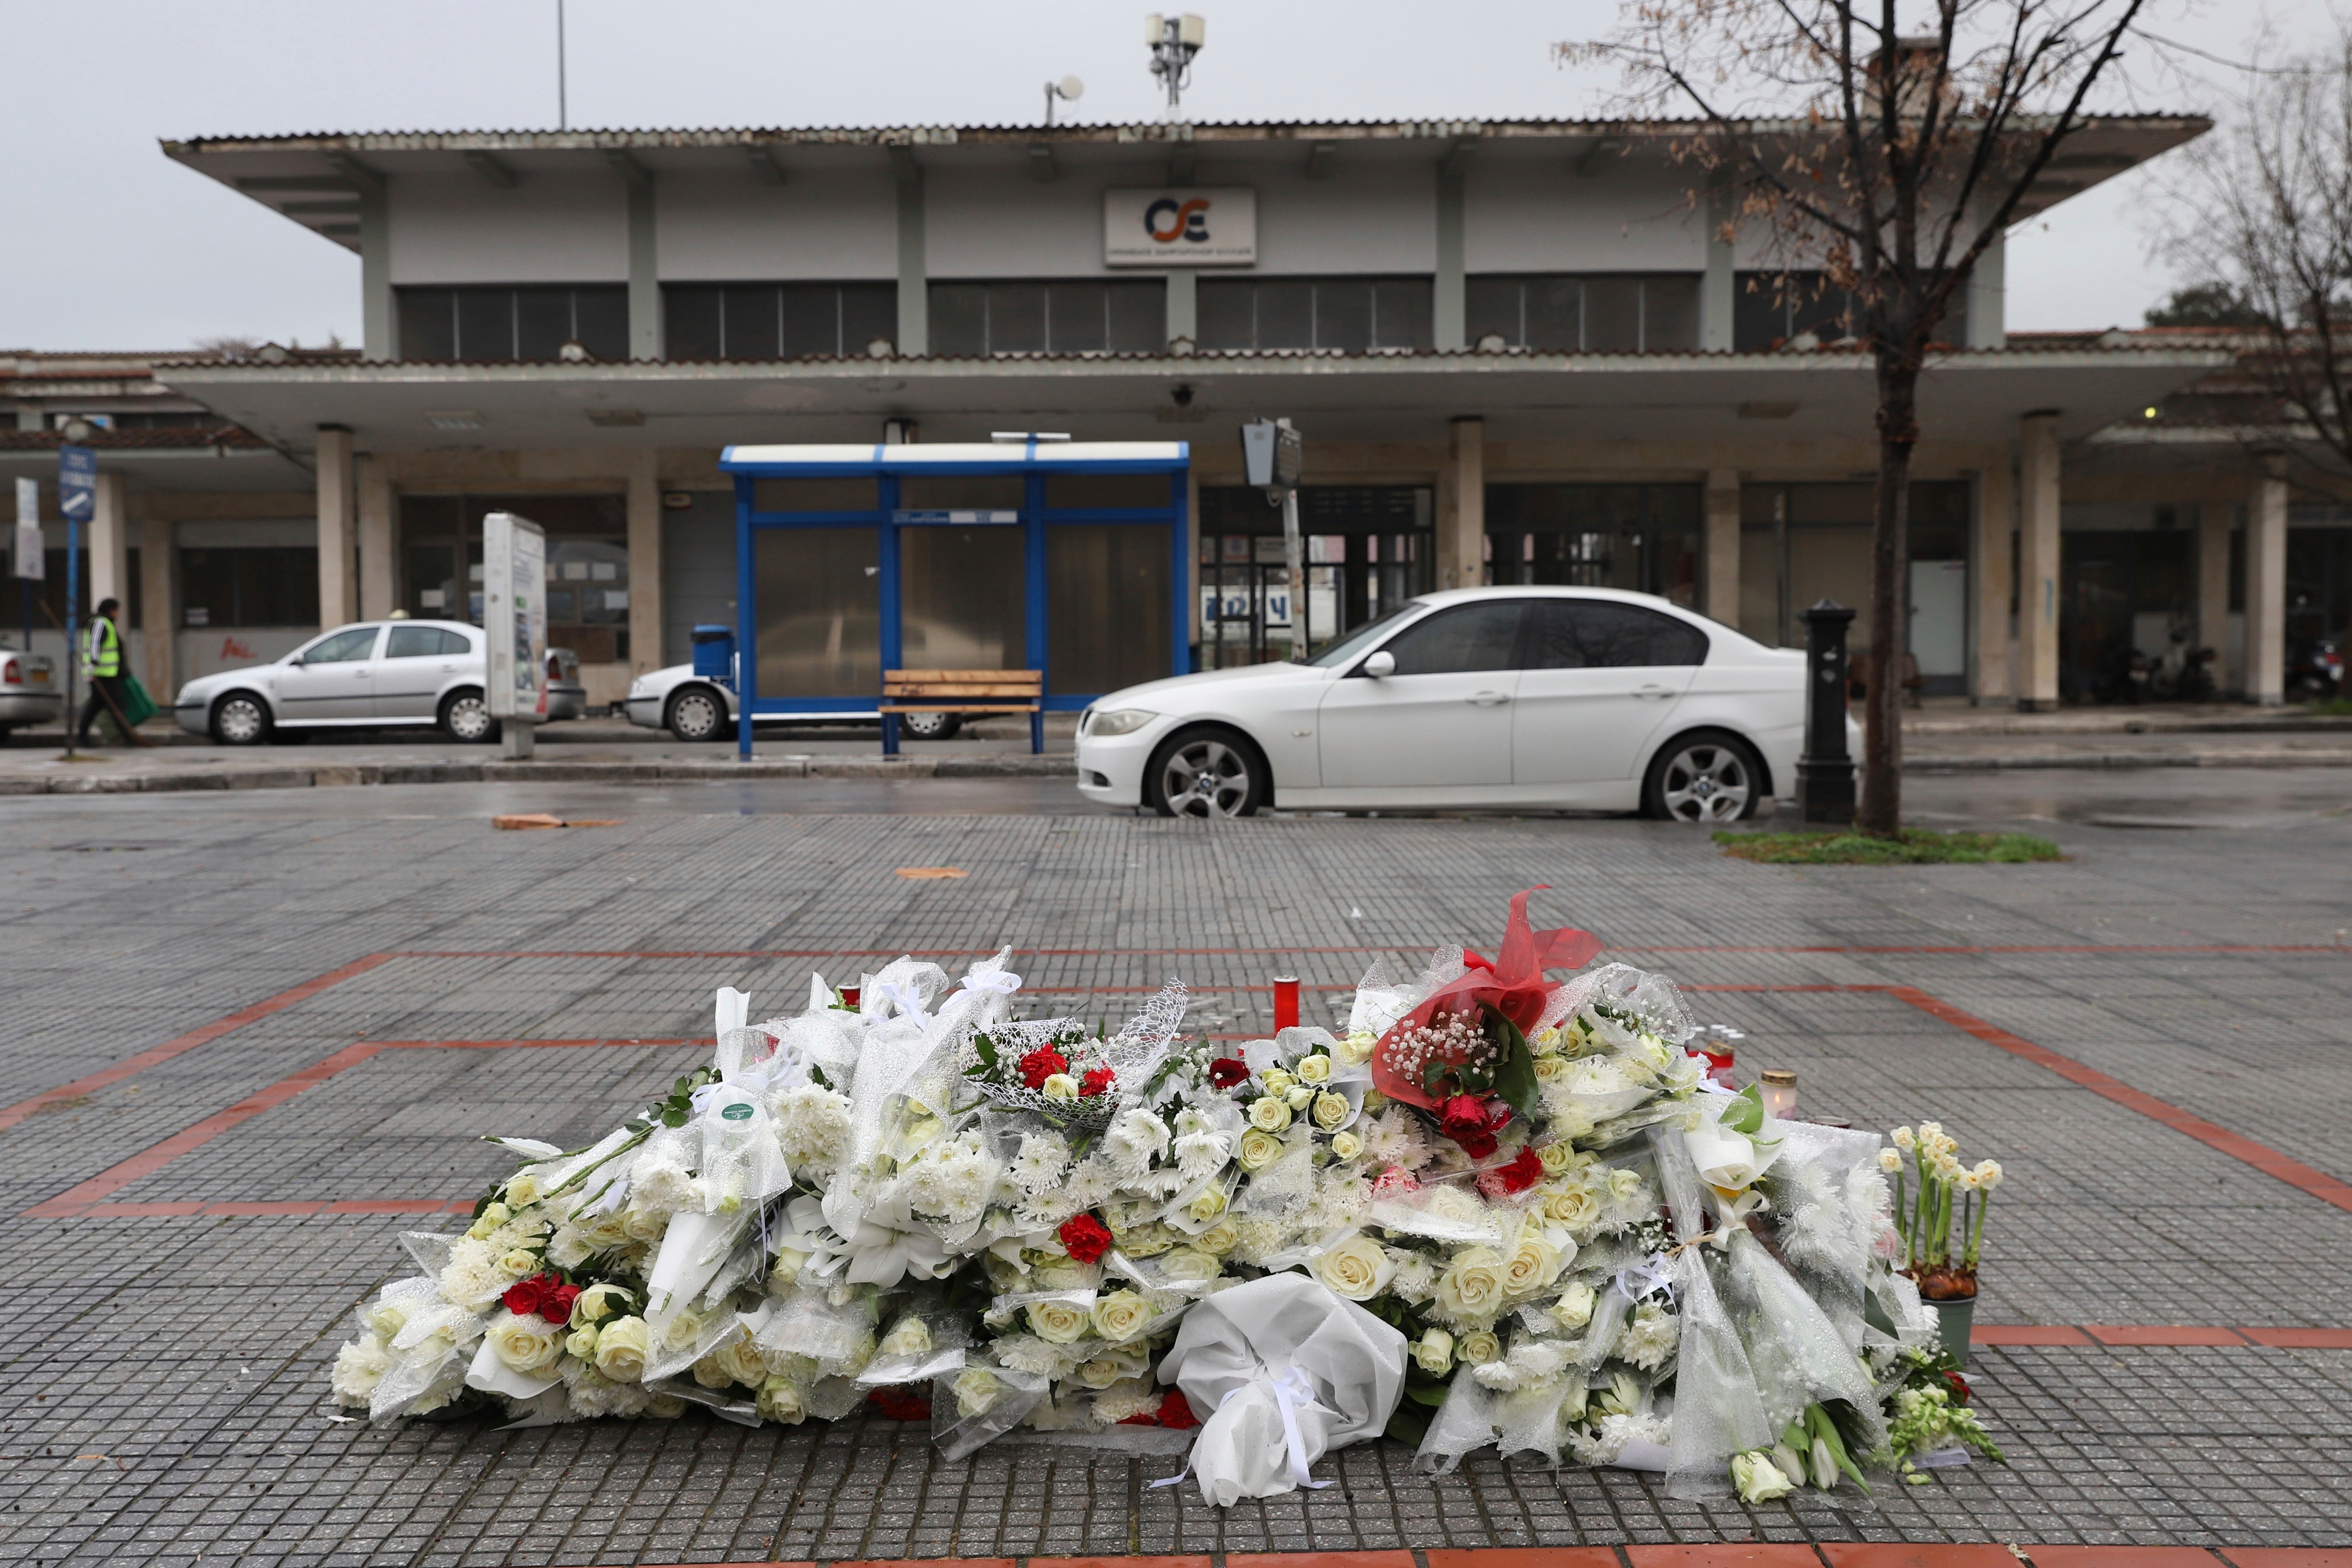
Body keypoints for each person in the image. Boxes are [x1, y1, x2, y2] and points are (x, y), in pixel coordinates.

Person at [76, 596, 129, 746]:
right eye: (117, 611)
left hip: (107, 673)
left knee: (96, 705)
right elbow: (95, 644)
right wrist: (93, 663)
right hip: (102, 673)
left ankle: (82, 736)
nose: (118, 614)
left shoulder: (106, 623)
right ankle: (127, 736)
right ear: (111, 611)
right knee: (116, 705)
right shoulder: (100, 623)